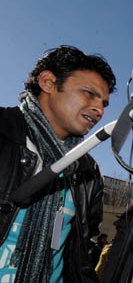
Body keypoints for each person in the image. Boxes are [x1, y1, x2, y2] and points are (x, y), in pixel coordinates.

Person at [0, 45, 116, 282]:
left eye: (104, 103)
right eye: (89, 93)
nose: (99, 109)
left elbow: (81, 258)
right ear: (48, 83)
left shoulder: (88, 172)